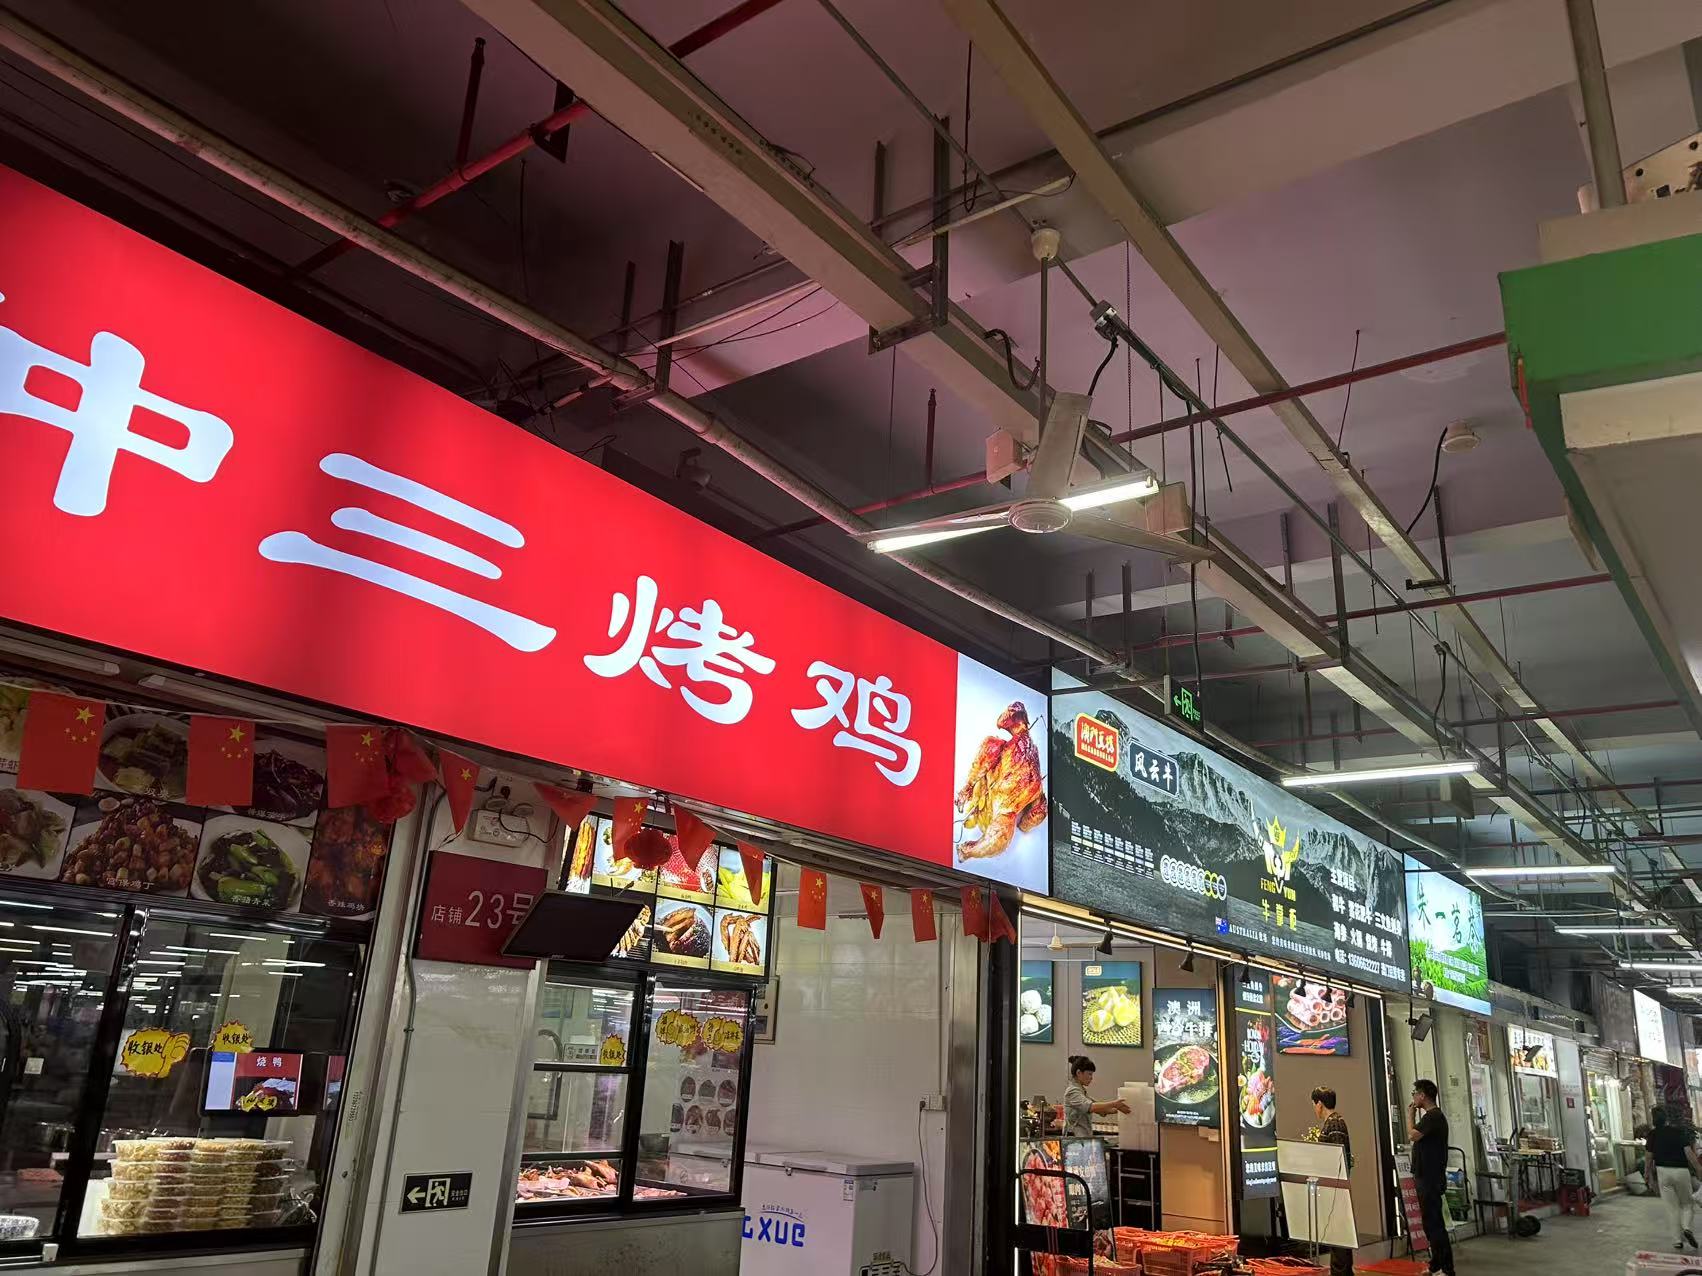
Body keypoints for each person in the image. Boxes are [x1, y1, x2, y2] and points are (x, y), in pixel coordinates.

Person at [1407, 1080, 1454, 1276]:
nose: (1413, 1097)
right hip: (1427, 1177)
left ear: (1422, 1095)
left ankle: (1446, 1268)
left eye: (1414, 1093)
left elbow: (1412, 1135)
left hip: (1429, 1178)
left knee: (1434, 1224)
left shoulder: (1432, 1117)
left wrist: (1410, 1115)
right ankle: (1436, 1264)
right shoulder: (1433, 1117)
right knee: (1430, 1222)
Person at [1311, 1087, 1354, 1276]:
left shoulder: (1334, 1123)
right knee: (1338, 1234)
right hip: (1336, 1185)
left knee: (1338, 1234)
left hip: (1335, 1187)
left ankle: (1340, 1272)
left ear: (1319, 1104)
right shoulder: (1335, 1121)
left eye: (1314, 1104)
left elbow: (1337, 1156)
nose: (1314, 1109)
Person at [1645, 1108, 1702, 1250]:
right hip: (1681, 1171)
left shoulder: (1652, 1134)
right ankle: (1687, 1228)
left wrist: (1648, 1175)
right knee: (1687, 1204)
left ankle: (1677, 1240)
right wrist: (1698, 1169)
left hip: (1663, 1172)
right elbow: (1689, 1153)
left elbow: (1648, 1158)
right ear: (1667, 1119)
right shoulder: (1678, 1132)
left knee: (1672, 1208)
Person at [1062, 1055, 1130, 1136]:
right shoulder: (1072, 1091)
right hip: (1075, 1139)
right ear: (1079, 1073)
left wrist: (1120, 1108)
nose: (1091, 1078)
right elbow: (1091, 1107)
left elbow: (1101, 1110)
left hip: (1083, 1137)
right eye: (1089, 1074)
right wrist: (1114, 1104)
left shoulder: (1081, 1091)